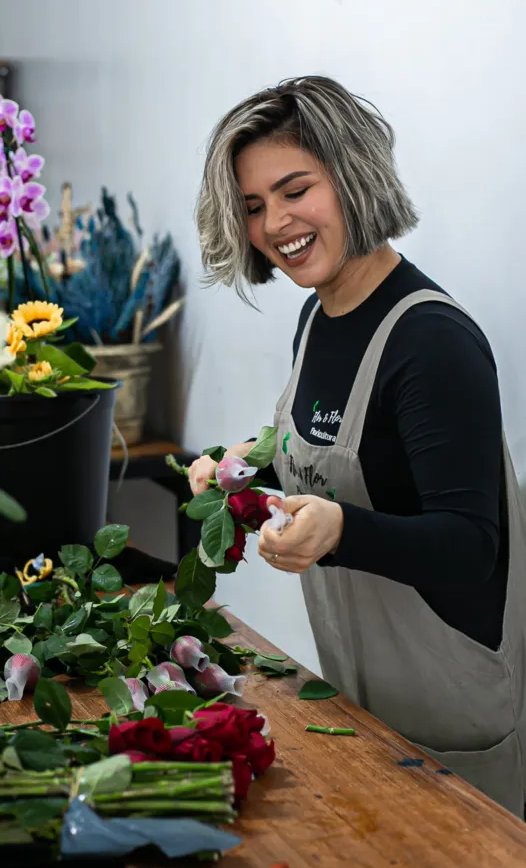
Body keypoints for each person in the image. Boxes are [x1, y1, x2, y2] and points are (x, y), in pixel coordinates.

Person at [189, 76, 526, 815]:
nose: (276, 222)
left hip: (453, 711)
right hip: (366, 692)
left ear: (351, 175)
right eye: (253, 207)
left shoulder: (432, 342)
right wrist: (238, 462)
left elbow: (472, 544)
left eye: (293, 189)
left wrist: (339, 531)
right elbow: (327, 436)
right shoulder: (318, 316)